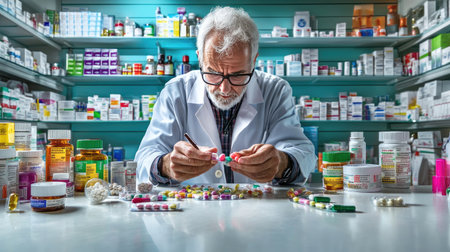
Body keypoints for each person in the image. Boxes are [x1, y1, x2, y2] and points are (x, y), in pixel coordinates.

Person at [135, 6, 316, 186]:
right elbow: (145, 157)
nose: (224, 88)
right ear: (200, 59)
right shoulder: (175, 91)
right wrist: (165, 165)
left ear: (253, 61)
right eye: (213, 72)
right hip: (193, 208)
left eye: (238, 75)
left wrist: (281, 163)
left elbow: (305, 154)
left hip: (255, 209)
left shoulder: (275, 90)